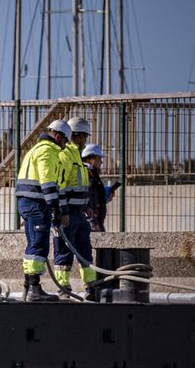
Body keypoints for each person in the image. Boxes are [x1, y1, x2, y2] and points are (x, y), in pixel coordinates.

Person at [14, 119, 70, 302]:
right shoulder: (48, 151)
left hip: (29, 202)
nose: (65, 146)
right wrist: (56, 207)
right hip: (35, 203)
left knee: (33, 244)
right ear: (58, 136)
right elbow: (47, 181)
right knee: (39, 243)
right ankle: (34, 289)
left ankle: (28, 287)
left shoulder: (36, 149)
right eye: (65, 141)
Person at [52, 117, 96, 299]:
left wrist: (87, 207)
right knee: (64, 252)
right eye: (82, 137)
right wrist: (62, 213)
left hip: (79, 214)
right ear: (74, 136)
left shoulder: (77, 156)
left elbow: (80, 186)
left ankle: (92, 286)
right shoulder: (65, 155)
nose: (84, 141)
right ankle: (63, 288)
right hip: (67, 214)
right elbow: (60, 186)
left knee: (85, 251)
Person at [82, 143, 120, 233]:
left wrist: (107, 192)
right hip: (91, 219)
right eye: (99, 159)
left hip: (96, 218)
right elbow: (86, 197)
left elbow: (95, 194)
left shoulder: (93, 174)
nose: (101, 162)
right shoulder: (86, 174)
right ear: (90, 159)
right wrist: (92, 221)